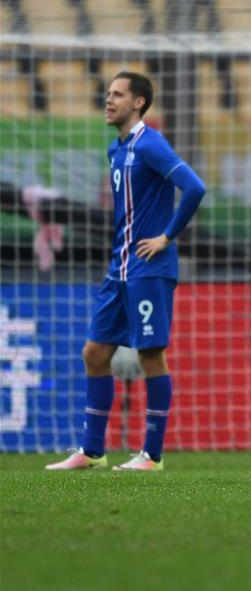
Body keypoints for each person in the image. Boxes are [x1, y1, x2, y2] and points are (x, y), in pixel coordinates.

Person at [45, 71, 205, 471]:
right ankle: (92, 450)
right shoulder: (116, 150)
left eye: (117, 94)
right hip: (119, 267)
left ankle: (152, 455)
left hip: (150, 267)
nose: (109, 100)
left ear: (138, 102)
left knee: (151, 355)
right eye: (107, 94)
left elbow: (195, 187)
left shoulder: (151, 144)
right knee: (95, 353)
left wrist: (166, 237)